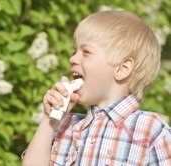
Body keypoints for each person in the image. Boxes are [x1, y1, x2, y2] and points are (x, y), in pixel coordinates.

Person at [22, 10, 171, 166]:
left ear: (122, 69)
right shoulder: (66, 126)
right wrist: (49, 119)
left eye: (86, 52)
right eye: (74, 52)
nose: (72, 59)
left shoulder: (150, 129)